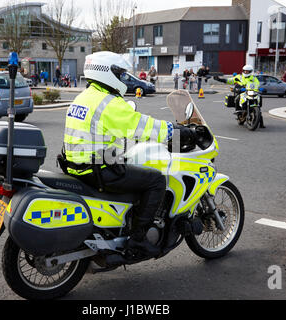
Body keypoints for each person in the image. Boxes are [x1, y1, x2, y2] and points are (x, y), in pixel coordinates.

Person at [60, 51, 197, 256]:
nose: (124, 77)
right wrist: (175, 131)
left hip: (76, 165)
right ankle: (138, 239)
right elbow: (142, 126)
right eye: (121, 73)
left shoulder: (84, 97)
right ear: (108, 72)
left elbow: (111, 129)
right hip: (98, 169)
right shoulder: (108, 103)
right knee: (157, 180)